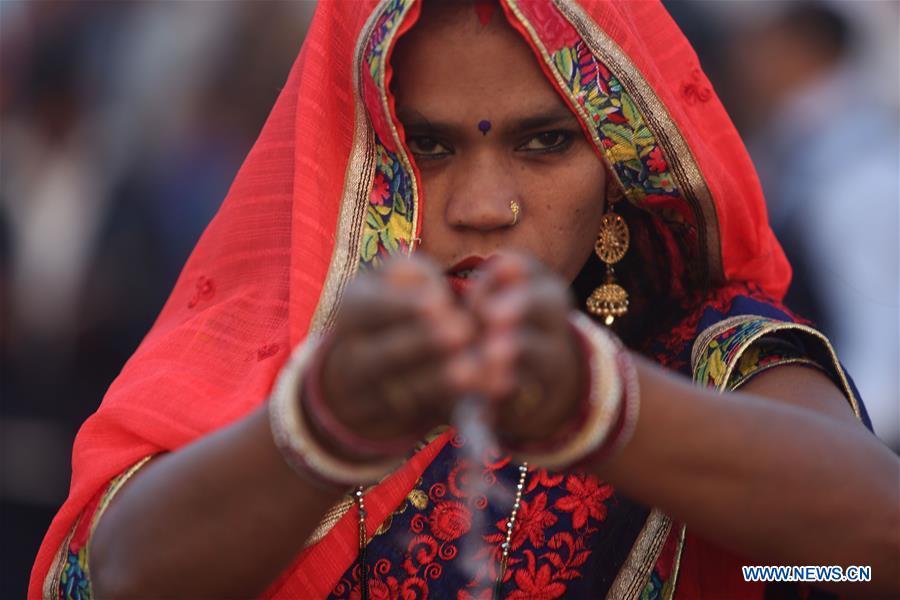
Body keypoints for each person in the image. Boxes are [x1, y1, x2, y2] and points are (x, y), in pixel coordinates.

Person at [31, 1, 899, 598]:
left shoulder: (707, 353)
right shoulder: (277, 359)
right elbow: (108, 580)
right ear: (361, 162)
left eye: (545, 142)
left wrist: (597, 406)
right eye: (429, 147)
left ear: (618, 167)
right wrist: (327, 427)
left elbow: (870, 556)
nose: (483, 208)